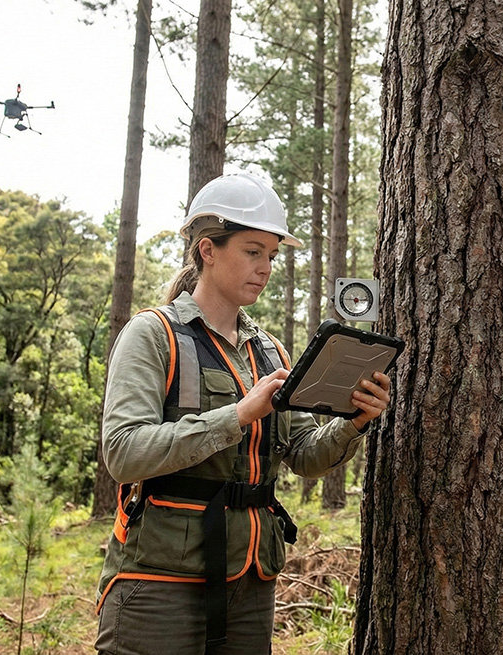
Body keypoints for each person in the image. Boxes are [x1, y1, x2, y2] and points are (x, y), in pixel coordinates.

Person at [95, 172, 392, 654]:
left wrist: (353, 421)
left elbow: (304, 455)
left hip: (252, 579)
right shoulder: (152, 334)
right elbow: (124, 454)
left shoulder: (271, 351)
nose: (267, 267)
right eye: (253, 251)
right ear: (208, 249)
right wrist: (236, 415)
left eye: (272, 255)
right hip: (160, 581)